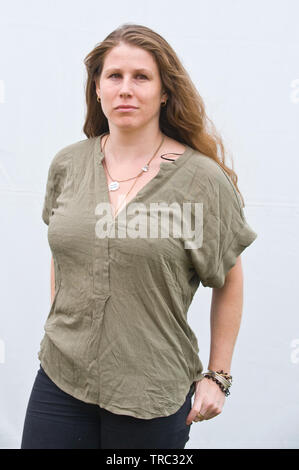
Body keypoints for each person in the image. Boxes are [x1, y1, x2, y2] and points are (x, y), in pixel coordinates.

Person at [21, 23, 258, 449]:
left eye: (141, 77)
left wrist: (218, 377)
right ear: (97, 88)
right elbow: (64, 255)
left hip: (152, 393)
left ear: (165, 91)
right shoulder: (68, 165)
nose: (125, 89)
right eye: (114, 76)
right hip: (61, 379)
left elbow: (230, 279)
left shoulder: (201, 180)